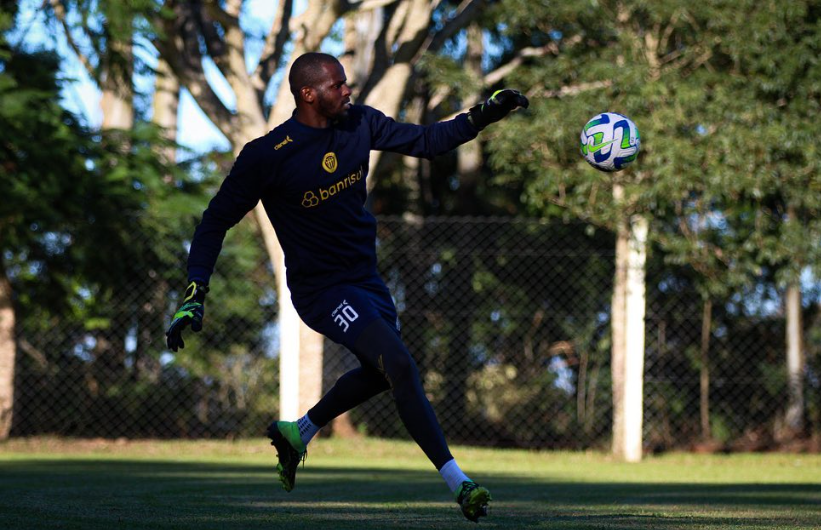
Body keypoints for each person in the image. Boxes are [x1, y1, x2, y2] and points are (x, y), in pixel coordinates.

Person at [166, 52, 528, 523]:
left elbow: (427, 141)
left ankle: (299, 432)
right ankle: (460, 484)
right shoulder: (266, 156)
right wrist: (195, 293)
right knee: (398, 362)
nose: (348, 91)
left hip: (366, 279)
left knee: (381, 371)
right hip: (322, 291)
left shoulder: (359, 123)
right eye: (338, 85)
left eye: (346, 83)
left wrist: (483, 114)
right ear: (308, 94)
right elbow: (214, 222)